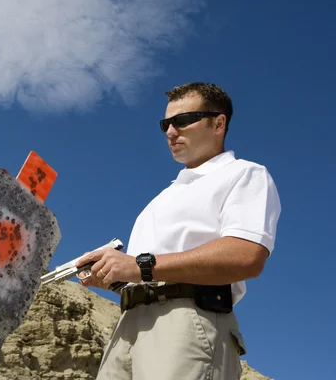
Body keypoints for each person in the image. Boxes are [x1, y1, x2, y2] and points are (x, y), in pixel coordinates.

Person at [75, 82, 281, 380]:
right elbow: (148, 270)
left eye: (183, 121)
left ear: (218, 123)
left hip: (186, 322)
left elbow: (247, 255)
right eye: (166, 124)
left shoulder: (244, 174)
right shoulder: (161, 199)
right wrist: (115, 276)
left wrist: (139, 266)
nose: (171, 132)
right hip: (127, 326)